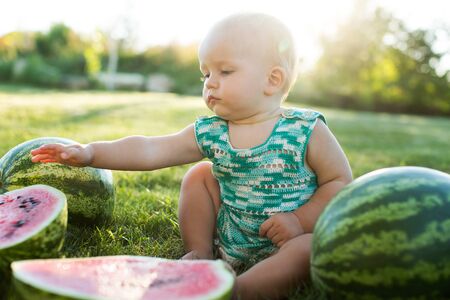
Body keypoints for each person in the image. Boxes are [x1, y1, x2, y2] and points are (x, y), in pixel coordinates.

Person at [31, 13, 352, 300]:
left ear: (273, 80)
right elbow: (152, 148)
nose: (210, 82)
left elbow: (339, 182)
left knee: (308, 249)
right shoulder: (211, 132)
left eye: (224, 71)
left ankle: (240, 289)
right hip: (230, 236)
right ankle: (199, 252)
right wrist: (91, 153)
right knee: (200, 176)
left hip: (286, 241)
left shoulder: (306, 129)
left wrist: (299, 220)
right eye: (205, 74)